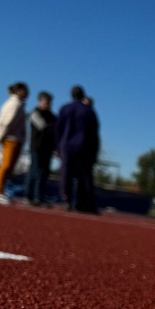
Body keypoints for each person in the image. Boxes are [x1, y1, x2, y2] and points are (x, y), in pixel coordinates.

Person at [55, 85, 100, 213]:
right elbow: (94, 133)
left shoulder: (65, 109)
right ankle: (81, 202)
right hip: (83, 146)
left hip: (66, 146)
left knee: (66, 172)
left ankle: (67, 198)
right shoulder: (88, 111)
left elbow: (58, 128)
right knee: (82, 175)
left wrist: (58, 145)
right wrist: (94, 150)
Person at [0, 82, 28, 204]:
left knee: (9, 167)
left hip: (15, 138)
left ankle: (1, 190)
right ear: (18, 91)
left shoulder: (19, 104)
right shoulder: (14, 104)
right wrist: (0, 135)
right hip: (10, 138)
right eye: (25, 90)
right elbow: (7, 121)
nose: (27, 93)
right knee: (6, 165)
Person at [25, 91, 56, 206]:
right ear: (40, 102)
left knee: (44, 173)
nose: (48, 104)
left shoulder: (52, 116)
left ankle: (39, 196)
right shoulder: (34, 113)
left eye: (49, 102)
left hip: (47, 149)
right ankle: (29, 195)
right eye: (46, 102)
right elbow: (44, 127)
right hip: (37, 147)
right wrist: (52, 128)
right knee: (35, 171)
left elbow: (55, 130)